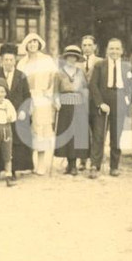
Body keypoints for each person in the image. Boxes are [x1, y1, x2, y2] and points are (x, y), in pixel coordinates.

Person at [88, 38, 132, 178]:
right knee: (99, 134)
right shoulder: (99, 65)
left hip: (119, 100)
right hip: (103, 100)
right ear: (107, 50)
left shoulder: (127, 66)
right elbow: (93, 85)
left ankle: (114, 166)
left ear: (121, 51)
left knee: (116, 135)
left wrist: (127, 101)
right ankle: (95, 166)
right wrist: (100, 103)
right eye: (111, 48)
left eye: (117, 49)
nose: (114, 51)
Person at [16, 32, 57, 175]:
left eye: (35, 42)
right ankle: (28, 163)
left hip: (42, 98)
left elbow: (54, 79)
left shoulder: (47, 60)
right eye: (30, 42)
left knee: (40, 129)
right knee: (27, 129)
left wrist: (50, 96)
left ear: (39, 44)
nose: (32, 44)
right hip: (27, 98)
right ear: (26, 45)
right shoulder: (22, 62)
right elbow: (18, 82)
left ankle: (41, 164)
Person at [0, 43, 34, 177]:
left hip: (17, 113)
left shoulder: (21, 75)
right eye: (6, 60)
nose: (9, 63)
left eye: (11, 60)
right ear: (1, 60)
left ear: (15, 60)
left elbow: (27, 96)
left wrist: (23, 111)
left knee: (14, 141)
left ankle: (13, 169)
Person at [54, 45, 91, 175]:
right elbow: (55, 91)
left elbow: (85, 89)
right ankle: (69, 165)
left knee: (77, 134)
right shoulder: (59, 73)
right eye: (69, 56)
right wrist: (56, 101)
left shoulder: (80, 72)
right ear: (65, 58)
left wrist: (85, 103)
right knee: (67, 135)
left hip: (78, 105)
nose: (71, 59)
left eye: (74, 57)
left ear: (77, 59)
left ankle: (74, 165)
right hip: (65, 107)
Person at [77, 35, 103, 171]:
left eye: (89, 45)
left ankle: (95, 163)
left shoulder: (101, 62)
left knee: (98, 132)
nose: (87, 48)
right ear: (81, 47)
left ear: (95, 47)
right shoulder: (76, 63)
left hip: (96, 101)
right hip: (81, 102)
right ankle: (82, 159)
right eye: (84, 45)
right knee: (82, 131)